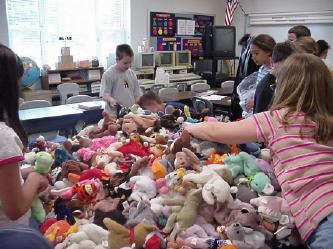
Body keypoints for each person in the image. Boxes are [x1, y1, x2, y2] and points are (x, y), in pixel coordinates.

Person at [185, 53, 333, 249]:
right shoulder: (327, 121)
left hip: (323, 214)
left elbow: (216, 131)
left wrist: (188, 128)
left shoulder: (278, 119)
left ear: (285, 86)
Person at [0, 44, 51, 247]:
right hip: (12, 236)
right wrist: (35, 177)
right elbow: (16, 208)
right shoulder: (4, 136)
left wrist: (22, 173)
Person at [253, 41, 296, 114]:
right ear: (272, 63)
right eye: (285, 66)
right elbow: (260, 119)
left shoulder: (284, 82)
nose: (290, 70)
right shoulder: (266, 88)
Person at [100, 44, 141, 111]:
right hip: (113, 114)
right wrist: (111, 100)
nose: (128, 65)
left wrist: (137, 105)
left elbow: (137, 94)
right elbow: (104, 95)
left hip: (130, 112)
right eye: (125, 63)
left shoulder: (132, 74)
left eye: (130, 62)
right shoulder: (108, 74)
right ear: (117, 60)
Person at [242, 34, 276, 115]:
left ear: (268, 51)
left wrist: (255, 102)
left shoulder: (275, 72)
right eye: (251, 53)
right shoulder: (262, 68)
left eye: (256, 53)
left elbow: (272, 96)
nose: (252, 57)